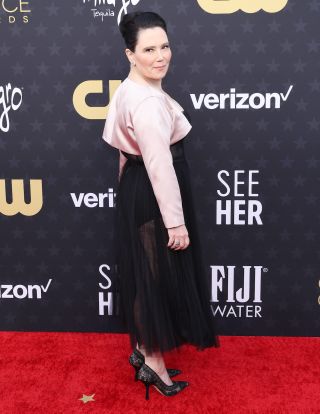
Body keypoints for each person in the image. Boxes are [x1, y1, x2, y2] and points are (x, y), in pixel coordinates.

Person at [102, 11, 220, 400]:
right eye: (149, 49)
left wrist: (127, 189)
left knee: (145, 275)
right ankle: (154, 363)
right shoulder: (149, 103)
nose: (160, 56)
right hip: (155, 196)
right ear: (129, 54)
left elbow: (124, 153)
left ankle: (142, 349)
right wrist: (176, 223)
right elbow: (159, 166)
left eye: (164, 45)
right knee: (155, 279)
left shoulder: (129, 90)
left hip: (137, 189)